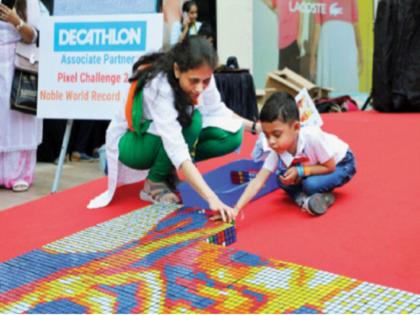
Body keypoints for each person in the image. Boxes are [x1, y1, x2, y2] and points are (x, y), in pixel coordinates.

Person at [88, 36, 260, 223]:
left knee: (232, 135)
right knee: (192, 121)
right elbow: (175, 146)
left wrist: (255, 127)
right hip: (131, 144)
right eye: (194, 81)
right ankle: (154, 183)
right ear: (177, 70)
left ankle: (169, 171)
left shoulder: (203, 77)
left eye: (206, 80)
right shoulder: (159, 84)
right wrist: (212, 199)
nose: (200, 88)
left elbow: (219, 111)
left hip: (165, 138)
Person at [232, 92, 356, 218]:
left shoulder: (312, 137)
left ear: (296, 127)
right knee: (281, 178)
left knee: (310, 185)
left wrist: (300, 171)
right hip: (315, 166)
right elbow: (258, 180)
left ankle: (318, 197)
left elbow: (330, 167)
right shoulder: (278, 148)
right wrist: (236, 209)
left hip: (342, 164)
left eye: (277, 134)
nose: (271, 142)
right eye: (267, 135)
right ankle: (306, 200)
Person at [0, 0, 42, 192]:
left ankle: (17, 174)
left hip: (18, 65)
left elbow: (33, 36)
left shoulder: (29, 2)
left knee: (18, 120)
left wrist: (15, 21)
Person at [309, 0, 363, 94]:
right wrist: (312, 58)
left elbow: (356, 25)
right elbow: (355, 25)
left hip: (342, 43)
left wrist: (360, 52)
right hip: (331, 42)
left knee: (343, 83)